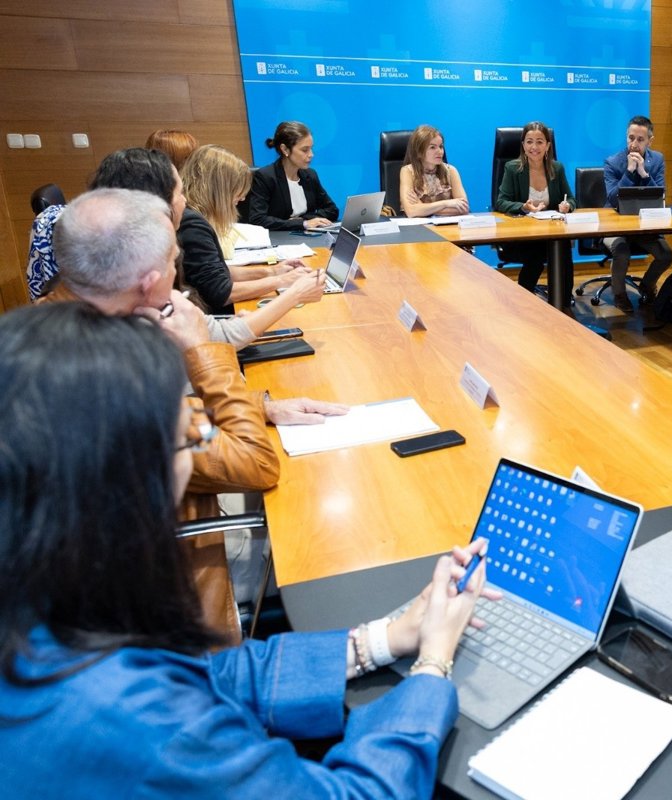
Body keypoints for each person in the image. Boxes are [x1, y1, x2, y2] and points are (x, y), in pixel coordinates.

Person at [0, 301, 496, 796]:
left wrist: (383, 639)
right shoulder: (140, 721)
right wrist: (433, 667)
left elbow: (209, 676)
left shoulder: (42, 600)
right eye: (188, 437)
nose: (200, 443)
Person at [45, 188, 347, 638]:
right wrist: (203, 352)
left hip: (152, 524)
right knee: (326, 519)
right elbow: (255, 464)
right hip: (174, 566)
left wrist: (262, 406)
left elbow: (174, 418)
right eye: (174, 261)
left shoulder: (64, 328)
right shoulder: (98, 375)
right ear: (150, 281)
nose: (179, 272)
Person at [27, 147, 323, 346]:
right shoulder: (130, 315)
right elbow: (217, 336)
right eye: (170, 261)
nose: (184, 200)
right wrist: (291, 290)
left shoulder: (103, 293)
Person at [180, 144, 314, 314]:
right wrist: (281, 281)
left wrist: (273, 271)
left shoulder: (193, 219)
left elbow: (218, 272)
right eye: (237, 190)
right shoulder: (193, 226)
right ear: (220, 189)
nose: (242, 198)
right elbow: (221, 292)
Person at [602, 115, 672, 313]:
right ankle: (620, 294)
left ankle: (646, 286)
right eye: (631, 138)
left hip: (644, 227)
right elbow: (613, 199)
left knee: (666, 255)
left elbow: (660, 197)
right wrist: (629, 172)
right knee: (622, 251)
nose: (634, 144)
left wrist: (644, 174)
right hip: (615, 226)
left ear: (650, 141)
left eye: (640, 140)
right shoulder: (612, 162)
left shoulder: (657, 160)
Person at [495, 121, 576, 292]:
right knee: (537, 253)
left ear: (548, 146)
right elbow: (501, 202)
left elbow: (572, 199)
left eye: (539, 142)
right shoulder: (512, 169)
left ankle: (564, 298)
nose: (534, 147)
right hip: (523, 235)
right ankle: (524, 298)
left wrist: (567, 205)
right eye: (529, 141)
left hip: (550, 232)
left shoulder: (557, 168)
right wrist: (523, 207)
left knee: (562, 247)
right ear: (523, 145)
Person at [245, 121, 340, 231]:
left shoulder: (310, 175)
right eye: (305, 150)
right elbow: (257, 219)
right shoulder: (265, 176)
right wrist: (302, 224)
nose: (311, 154)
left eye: (311, 148)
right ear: (285, 149)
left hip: (308, 236)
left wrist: (304, 220)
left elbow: (332, 210)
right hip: (280, 238)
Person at [398, 124, 470, 218]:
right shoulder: (407, 172)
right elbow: (411, 211)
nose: (440, 152)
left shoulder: (451, 171)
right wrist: (446, 203)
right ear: (419, 152)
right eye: (432, 147)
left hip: (449, 225)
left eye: (441, 146)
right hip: (419, 226)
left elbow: (464, 208)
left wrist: (422, 208)